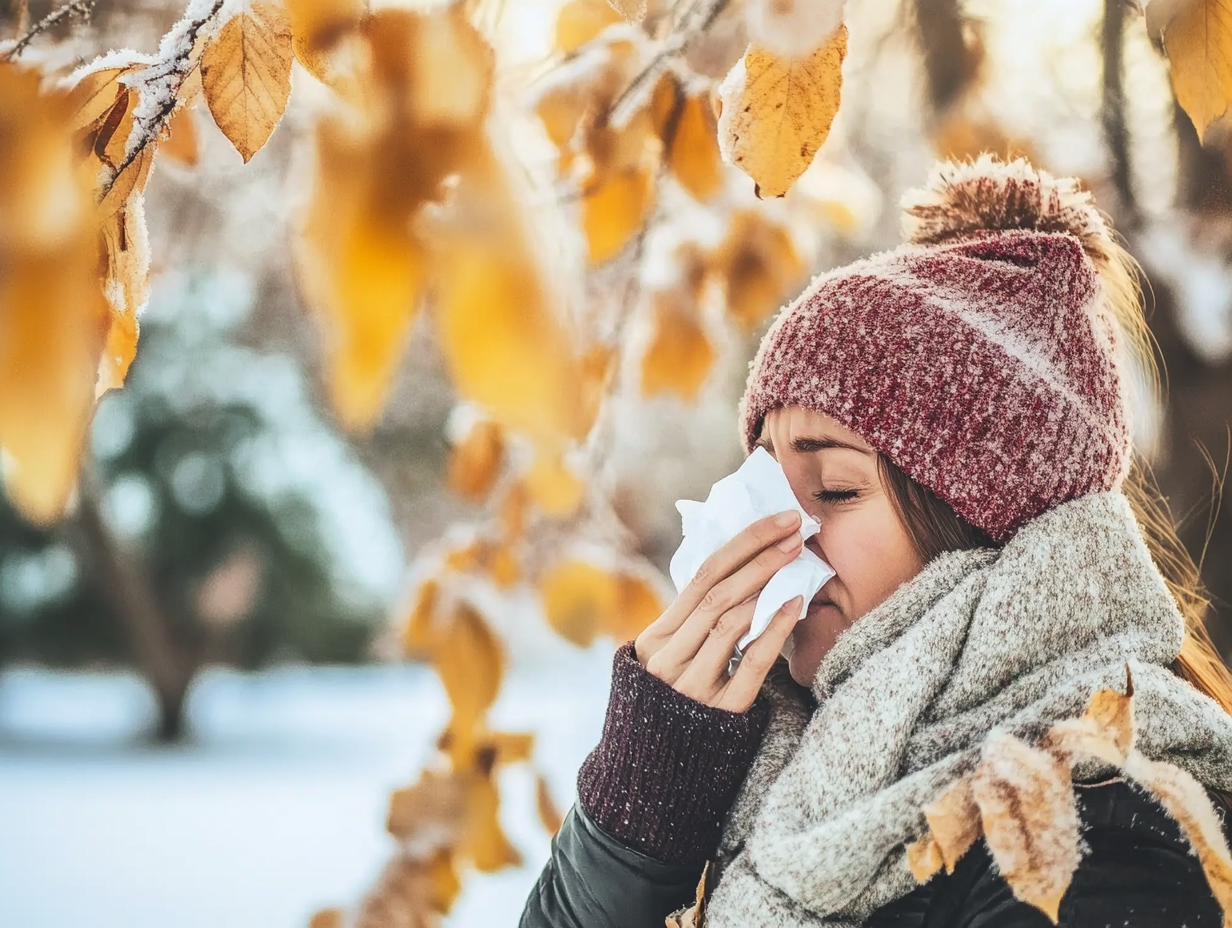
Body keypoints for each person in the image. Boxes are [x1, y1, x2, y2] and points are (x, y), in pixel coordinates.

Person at [520, 155, 1232, 928]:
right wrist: (630, 836)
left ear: (989, 523)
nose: (777, 541)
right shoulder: (779, 778)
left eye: (834, 491)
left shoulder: (1093, 835)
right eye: (760, 486)